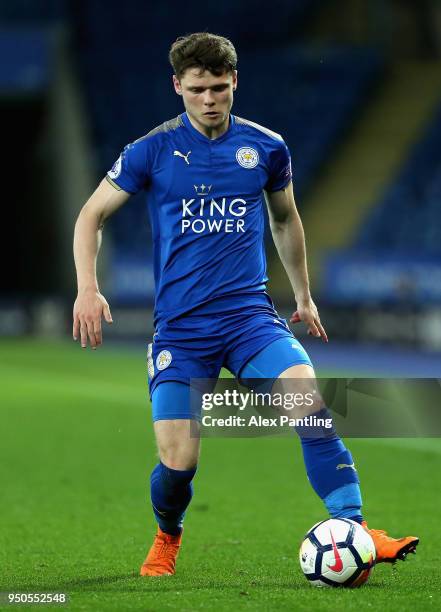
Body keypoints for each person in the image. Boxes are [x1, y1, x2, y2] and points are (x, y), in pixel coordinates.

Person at [73, 32, 419, 577]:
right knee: (178, 462)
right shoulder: (151, 151)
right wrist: (88, 287)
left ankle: (355, 528)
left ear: (234, 81)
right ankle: (169, 534)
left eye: (217, 87)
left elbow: (285, 219)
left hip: (249, 318)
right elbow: (89, 216)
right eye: (196, 90)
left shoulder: (266, 147)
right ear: (177, 87)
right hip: (182, 331)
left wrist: (302, 295)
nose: (208, 99)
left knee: (308, 399)